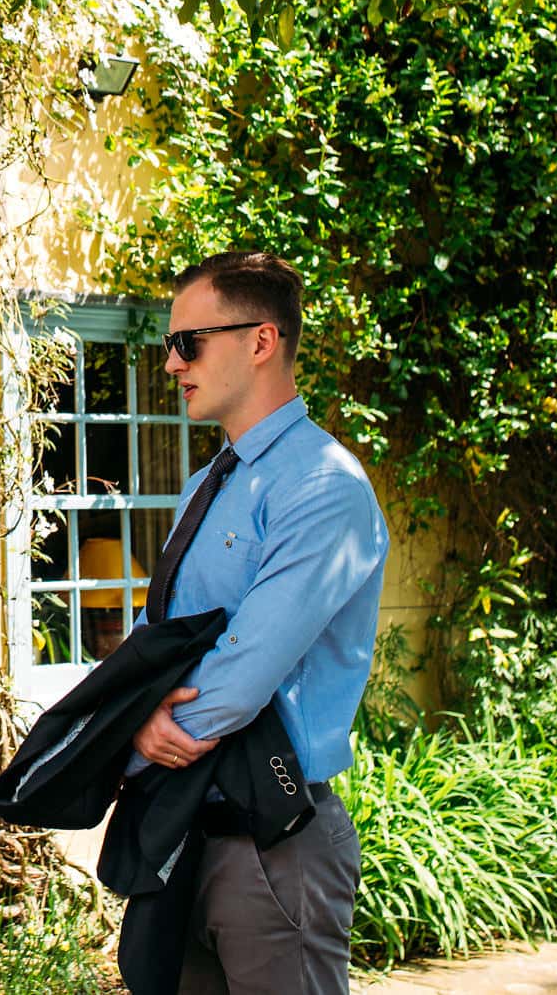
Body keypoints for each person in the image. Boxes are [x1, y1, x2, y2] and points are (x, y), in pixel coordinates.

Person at [122, 251, 389, 994]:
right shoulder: (211, 482)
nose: (172, 363)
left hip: (272, 843)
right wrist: (137, 712)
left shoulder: (323, 486)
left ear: (261, 341)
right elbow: (161, 641)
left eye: (189, 343)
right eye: (169, 346)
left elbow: (236, 680)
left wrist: (134, 726)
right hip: (183, 830)